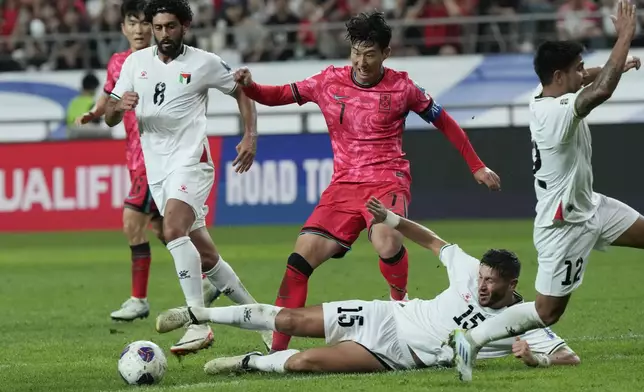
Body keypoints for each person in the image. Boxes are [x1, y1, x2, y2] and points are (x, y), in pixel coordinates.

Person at [233, 10, 502, 353]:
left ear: (386, 54)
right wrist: (250, 86)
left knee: (386, 239)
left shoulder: (403, 88)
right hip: (343, 186)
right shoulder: (328, 81)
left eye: (370, 54)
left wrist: (476, 165)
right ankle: (277, 351)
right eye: (356, 53)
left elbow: (445, 121)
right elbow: (275, 95)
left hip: (387, 179)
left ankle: (399, 304)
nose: (361, 61)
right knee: (298, 261)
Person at [154, 196, 580, 374]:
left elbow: (570, 358)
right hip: (388, 313)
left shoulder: (523, 321)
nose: (483, 285)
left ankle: (245, 363)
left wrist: (535, 360)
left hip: (396, 355)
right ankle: (197, 313)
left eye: (492, 282)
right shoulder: (468, 268)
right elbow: (431, 240)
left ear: (512, 284)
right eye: (482, 277)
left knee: (303, 364)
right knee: (288, 319)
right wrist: (391, 219)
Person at [449, 1, 643, 382]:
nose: (580, 75)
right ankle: (471, 340)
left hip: (593, 207)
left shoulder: (549, 94)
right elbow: (599, 91)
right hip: (564, 223)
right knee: (547, 311)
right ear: (558, 75)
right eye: (574, 71)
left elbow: (589, 77)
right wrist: (623, 39)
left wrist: (617, 64)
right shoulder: (555, 114)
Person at [103, 0, 271, 355]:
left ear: (186, 26)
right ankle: (267, 324)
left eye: (171, 27)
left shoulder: (204, 62)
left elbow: (242, 90)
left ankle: (198, 323)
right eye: (159, 28)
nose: (164, 34)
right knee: (207, 257)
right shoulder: (135, 64)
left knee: (171, 229)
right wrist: (117, 108)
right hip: (158, 170)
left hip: (192, 161)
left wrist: (250, 135)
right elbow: (110, 118)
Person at [74, 0, 221, 323]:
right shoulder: (120, 62)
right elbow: (110, 94)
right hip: (137, 155)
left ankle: (140, 299)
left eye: (146, 23)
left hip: (153, 157)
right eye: (134, 23)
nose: (140, 30)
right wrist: (97, 112)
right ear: (123, 27)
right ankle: (210, 279)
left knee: (132, 221)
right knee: (164, 229)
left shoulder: (163, 61)